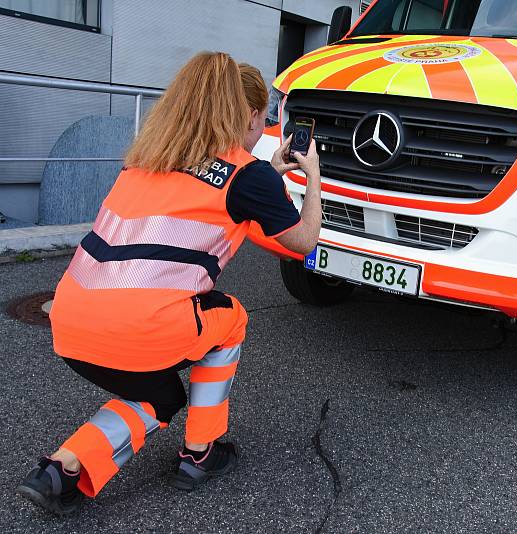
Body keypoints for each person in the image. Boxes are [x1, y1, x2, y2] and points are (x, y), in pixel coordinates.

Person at [17, 52, 322, 515]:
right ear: (248, 116)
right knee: (231, 317)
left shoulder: (148, 159)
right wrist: (313, 173)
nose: (263, 129)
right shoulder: (247, 176)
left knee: (160, 396)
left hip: (70, 324)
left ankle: (61, 468)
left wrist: (271, 172)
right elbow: (302, 241)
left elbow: (211, 195)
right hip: (143, 330)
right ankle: (201, 452)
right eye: (264, 118)